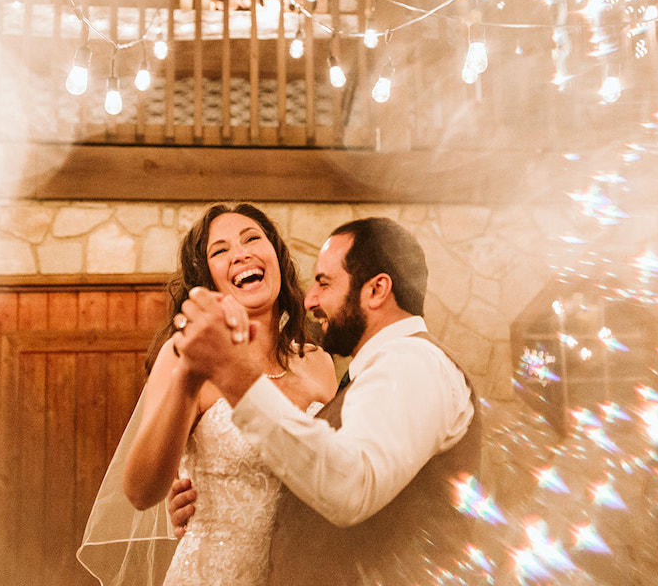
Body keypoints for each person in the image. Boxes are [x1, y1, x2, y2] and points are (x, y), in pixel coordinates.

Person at [171, 216, 482, 586]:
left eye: (324, 282)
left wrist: (235, 376)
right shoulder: (379, 370)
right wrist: (210, 498)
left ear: (376, 290)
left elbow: (350, 485)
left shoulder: (411, 364)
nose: (310, 299)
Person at [77, 203, 336, 586]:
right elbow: (140, 490)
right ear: (209, 280)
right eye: (220, 250)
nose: (241, 253)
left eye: (252, 239)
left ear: (277, 258)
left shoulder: (318, 362)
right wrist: (189, 379)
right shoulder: (182, 354)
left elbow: (336, 472)